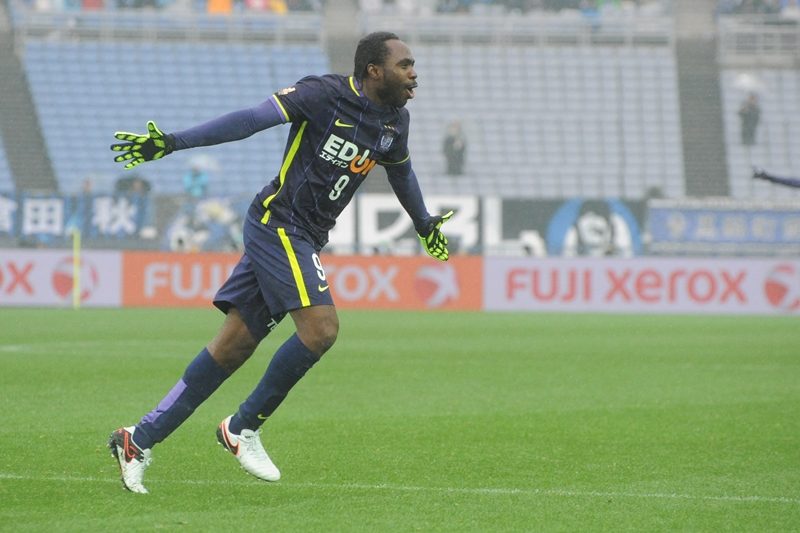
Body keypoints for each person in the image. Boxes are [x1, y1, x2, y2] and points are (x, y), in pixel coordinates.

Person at [107, 31, 453, 494]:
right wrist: (174, 142)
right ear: (375, 70)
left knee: (231, 348)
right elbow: (252, 120)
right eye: (405, 65)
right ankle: (242, 427)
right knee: (321, 329)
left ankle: (137, 440)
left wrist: (423, 221)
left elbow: (402, 172)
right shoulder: (323, 94)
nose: (414, 74)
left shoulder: (395, 120)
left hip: (307, 235)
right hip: (280, 224)